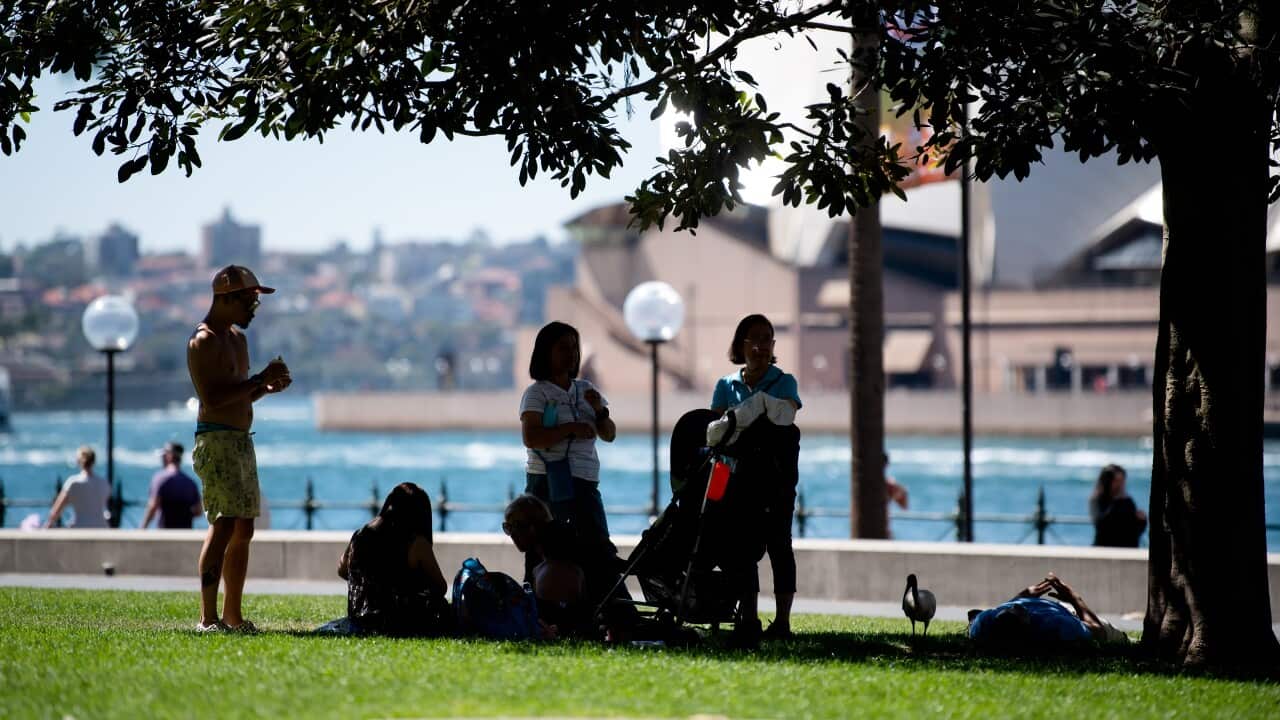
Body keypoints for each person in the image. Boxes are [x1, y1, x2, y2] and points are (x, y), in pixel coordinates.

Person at [187, 265, 292, 633]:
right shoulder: (203, 341)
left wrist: (266, 388)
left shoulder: (238, 340)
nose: (253, 308)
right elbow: (213, 399)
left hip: (241, 441)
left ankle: (233, 615)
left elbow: (241, 392)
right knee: (224, 524)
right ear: (226, 297)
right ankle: (208, 618)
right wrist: (258, 379)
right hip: (216, 440)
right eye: (249, 300)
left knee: (244, 528)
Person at [707, 314, 802, 641]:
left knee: (780, 547)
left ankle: (783, 622)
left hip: (775, 481)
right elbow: (715, 432)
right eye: (755, 339)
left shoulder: (785, 382)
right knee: (742, 551)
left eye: (768, 339)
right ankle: (748, 617)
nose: (762, 346)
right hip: (737, 481)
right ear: (741, 345)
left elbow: (786, 414)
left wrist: (755, 408)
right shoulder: (725, 386)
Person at [519, 321, 619, 572]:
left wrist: (598, 411)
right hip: (546, 484)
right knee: (543, 554)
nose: (571, 354)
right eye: (563, 348)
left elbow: (609, 434)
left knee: (597, 551)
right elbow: (531, 437)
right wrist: (569, 429)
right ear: (546, 353)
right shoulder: (536, 393)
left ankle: (598, 606)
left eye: (574, 348)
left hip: (584, 484)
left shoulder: (587, 391)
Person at [338, 483, 450, 636]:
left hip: (361, 618)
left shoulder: (362, 534)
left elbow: (343, 570)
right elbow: (440, 587)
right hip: (398, 620)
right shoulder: (416, 542)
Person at [967, 573, 1130, 651]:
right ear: (1026, 624)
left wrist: (1021, 597)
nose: (1014, 607)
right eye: (1017, 610)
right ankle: (1130, 640)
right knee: (1113, 635)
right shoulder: (1056, 626)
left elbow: (974, 617)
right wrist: (1074, 598)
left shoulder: (986, 622)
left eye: (1009, 609)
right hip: (1070, 612)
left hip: (1049, 608)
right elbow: (1096, 630)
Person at [45, 446, 109, 529]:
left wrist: (48, 525)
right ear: (94, 462)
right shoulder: (104, 483)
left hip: (80, 527)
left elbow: (55, 511)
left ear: (79, 461)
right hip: (101, 528)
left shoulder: (73, 482)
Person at [142, 441, 202, 529]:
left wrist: (142, 527)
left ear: (168, 456)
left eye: (163, 455)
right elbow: (198, 511)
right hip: (185, 533)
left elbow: (153, 506)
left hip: (164, 533)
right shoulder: (190, 483)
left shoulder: (159, 478)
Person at [1089, 463, 1147, 547]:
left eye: (1122, 481)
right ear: (1107, 481)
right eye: (1117, 481)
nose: (1120, 485)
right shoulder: (1097, 500)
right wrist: (1116, 502)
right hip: (1105, 547)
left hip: (1127, 548)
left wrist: (1142, 520)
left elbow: (1135, 531)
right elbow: (1101, 525)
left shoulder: (1127, 501)